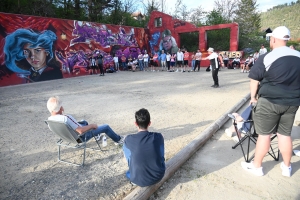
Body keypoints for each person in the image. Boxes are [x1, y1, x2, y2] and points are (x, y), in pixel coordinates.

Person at [242, 26, 300, 177]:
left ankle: (257, 167)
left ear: (273, 39)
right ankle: (287, 167)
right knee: (285, 135)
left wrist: (253, 97)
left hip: (270, 101)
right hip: (292, 103)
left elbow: (254, 80)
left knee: (264, 135)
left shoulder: (267, 56)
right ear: (287, 39)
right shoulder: (299, 56)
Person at [47, 96, 124, 144]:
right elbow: (81, 131)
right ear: (60, 108)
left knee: (84, 121)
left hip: (67, 138)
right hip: (80, 138)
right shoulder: (65, 118)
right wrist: (92, 125)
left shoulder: (49, 121)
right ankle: (119, 140)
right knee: (106, 127)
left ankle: (97, 135)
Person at [123, 108, 165, 187]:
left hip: (136, 179)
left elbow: (125, 141)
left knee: (126, 146)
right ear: (149, 123)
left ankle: (133, 170)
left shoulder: (129, 139)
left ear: (136, 123)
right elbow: (161, 152)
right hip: (158, 177)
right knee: (159, 146)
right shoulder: (158, 136)